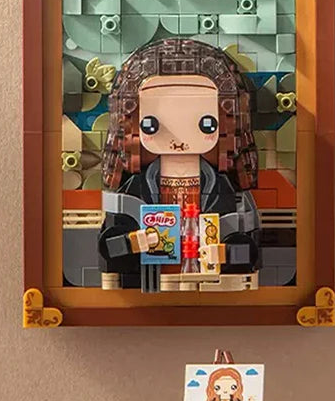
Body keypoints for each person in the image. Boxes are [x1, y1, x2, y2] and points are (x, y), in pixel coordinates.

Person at [98, 38, 260, 290]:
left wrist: (223, 253)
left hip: (209, 288)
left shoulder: (227, 191)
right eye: (151, 124)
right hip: (151, 286)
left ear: (227, 118)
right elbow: (108, 248)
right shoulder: (133, 191)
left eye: (206, 123)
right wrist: (134, 242)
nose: (178, 140)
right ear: (131, 118)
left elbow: (249, 249)